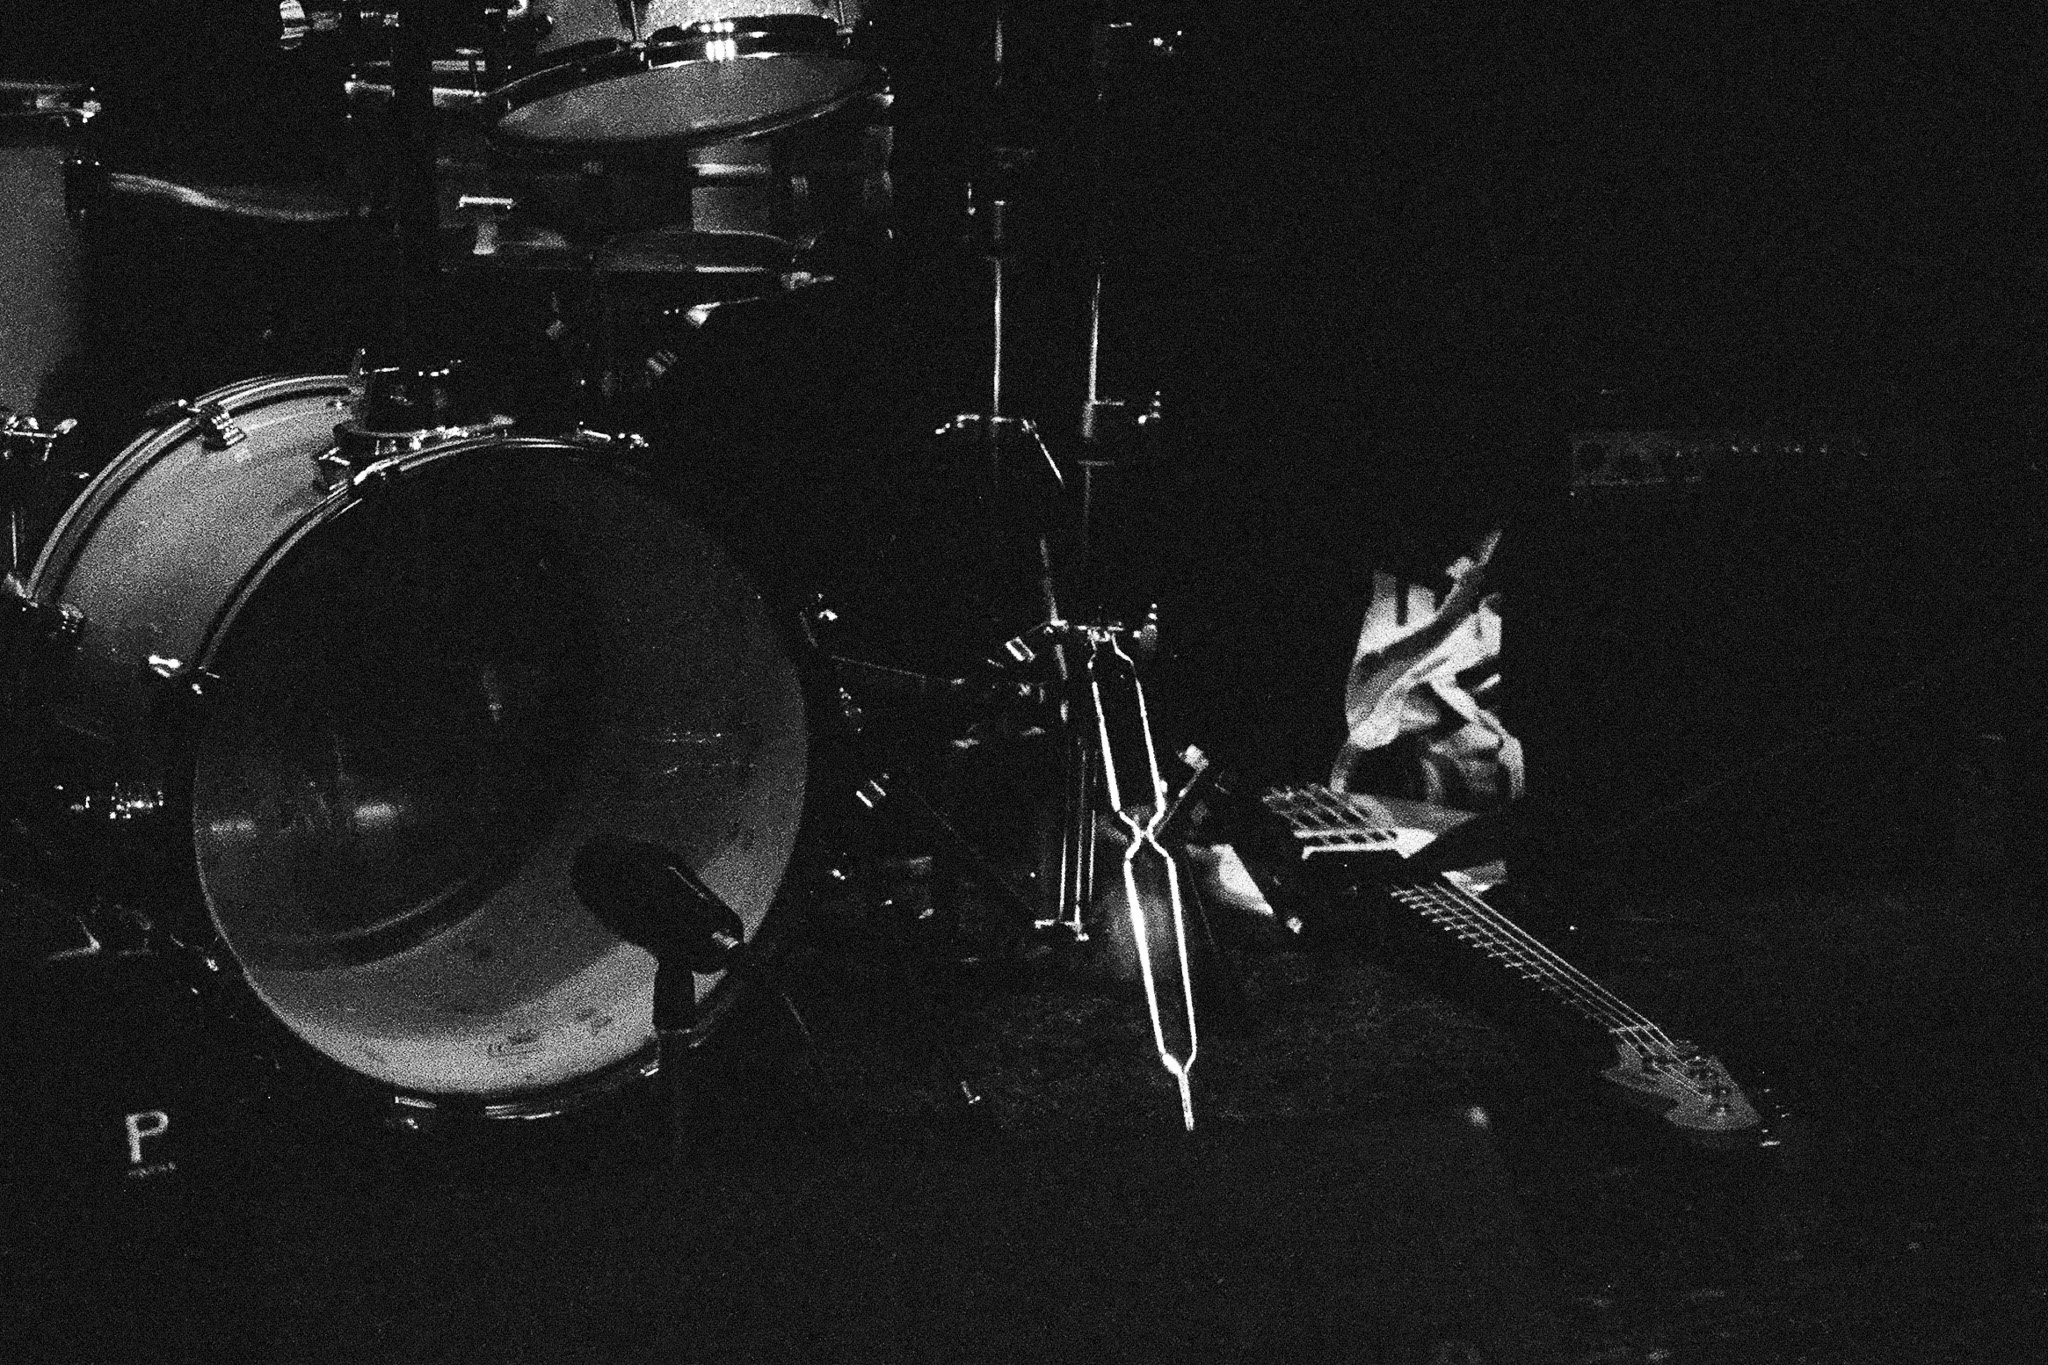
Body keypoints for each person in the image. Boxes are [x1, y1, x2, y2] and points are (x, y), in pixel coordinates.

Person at [1329, 528, 1522, 812]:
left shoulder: (1369, 725)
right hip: (1441, 615)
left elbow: (1435, 634)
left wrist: (1471, 578)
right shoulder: (1382, 720)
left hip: (1432, 594)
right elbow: (1428, 699)